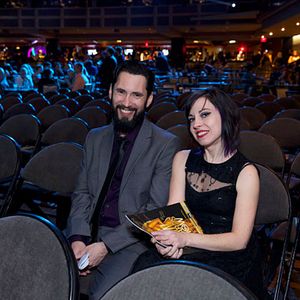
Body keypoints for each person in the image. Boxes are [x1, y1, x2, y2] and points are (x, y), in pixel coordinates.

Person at [133, 88, 265, 299]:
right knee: (145, 265)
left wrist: (184, 239)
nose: (196, 124)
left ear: (225, 116)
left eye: (205, 115)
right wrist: (165, 242)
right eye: (192, 118)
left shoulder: (246, 172)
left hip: (228, 254)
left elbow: (239, 240)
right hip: (190, 244)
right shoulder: (182, 159)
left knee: (189, 285)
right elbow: (173, 215)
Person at [65, 60, 180, 300]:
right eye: (121, 92)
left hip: (129, 239)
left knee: (104, 297)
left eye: (136, 95)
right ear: (110, 92)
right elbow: (82, 193)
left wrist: (105, 246)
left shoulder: (164, 144)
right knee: (43, 279)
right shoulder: (94, 137)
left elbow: (154, 211)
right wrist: (78, 237)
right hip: (87, 231)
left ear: (148, 100)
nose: (126, 103)